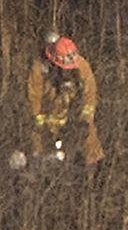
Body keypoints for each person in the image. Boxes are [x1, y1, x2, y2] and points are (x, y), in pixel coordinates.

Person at [26, 32, 104, 166]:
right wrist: (39, 120)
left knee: (90, 141)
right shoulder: (40, 69)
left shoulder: (81, 65)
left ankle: (94, 171)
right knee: (39, 145)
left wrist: (85, 118)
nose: (68, 71)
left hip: (75, 114)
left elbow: (90, 93)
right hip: (50, 115)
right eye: (64, 68)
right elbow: (34, 97)